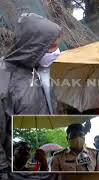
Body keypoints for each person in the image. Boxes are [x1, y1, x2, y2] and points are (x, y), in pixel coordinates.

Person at [0, 13, 62, 180]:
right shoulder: (4, 77)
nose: (57, 52)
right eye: (51, 47)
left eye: (57, 46)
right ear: (33, 46)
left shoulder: (41, 71)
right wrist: (5, 173)